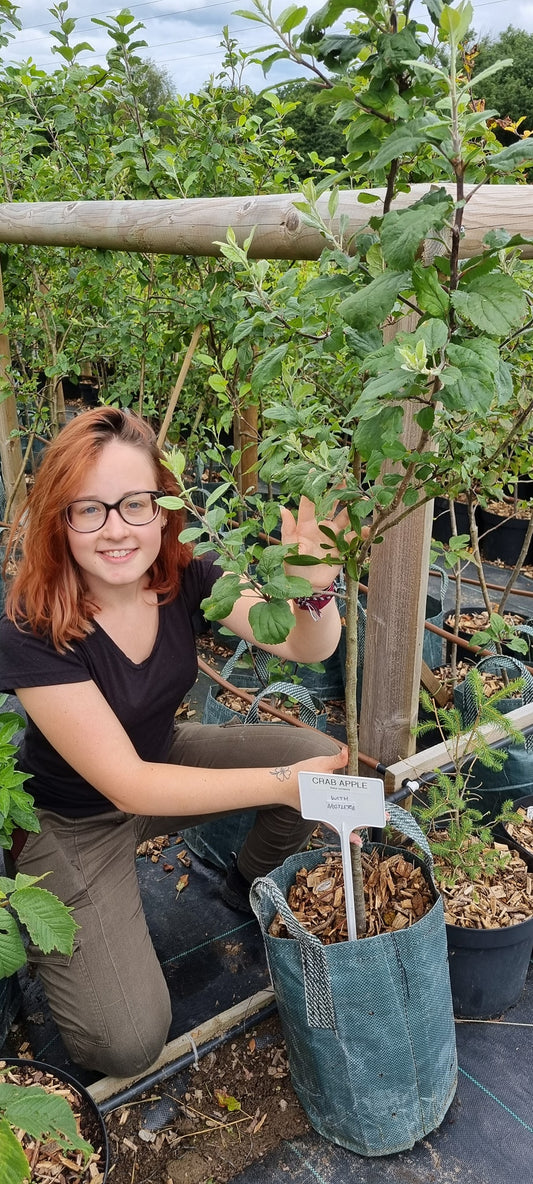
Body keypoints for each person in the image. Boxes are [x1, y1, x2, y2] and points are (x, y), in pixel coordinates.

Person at [0, 407, 348, 1077]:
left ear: (164, 507)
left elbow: (308, 647)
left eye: (135, 504)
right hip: (69, 819)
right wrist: (284, 786)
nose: (117, 530)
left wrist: (313, 589)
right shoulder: (29, 625)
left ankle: (244, 884)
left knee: (314, 760)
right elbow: (125, 784)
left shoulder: (184, 575)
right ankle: (56, 927)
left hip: (162, 758)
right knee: (126, 1043)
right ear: (58, 519)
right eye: (89, 510)